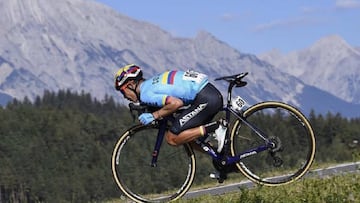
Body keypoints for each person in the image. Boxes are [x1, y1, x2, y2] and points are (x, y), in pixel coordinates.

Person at [114, 64, 227, 153]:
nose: (124, 96)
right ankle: (224, 159)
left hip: (206, 98)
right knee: (186, 136)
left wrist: (154, 115)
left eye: (123, 91)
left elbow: (176, 103)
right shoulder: (150, 84)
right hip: (208, 94)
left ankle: (216, 127)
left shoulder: (145, 94)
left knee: (172, 138)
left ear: (130, 85)